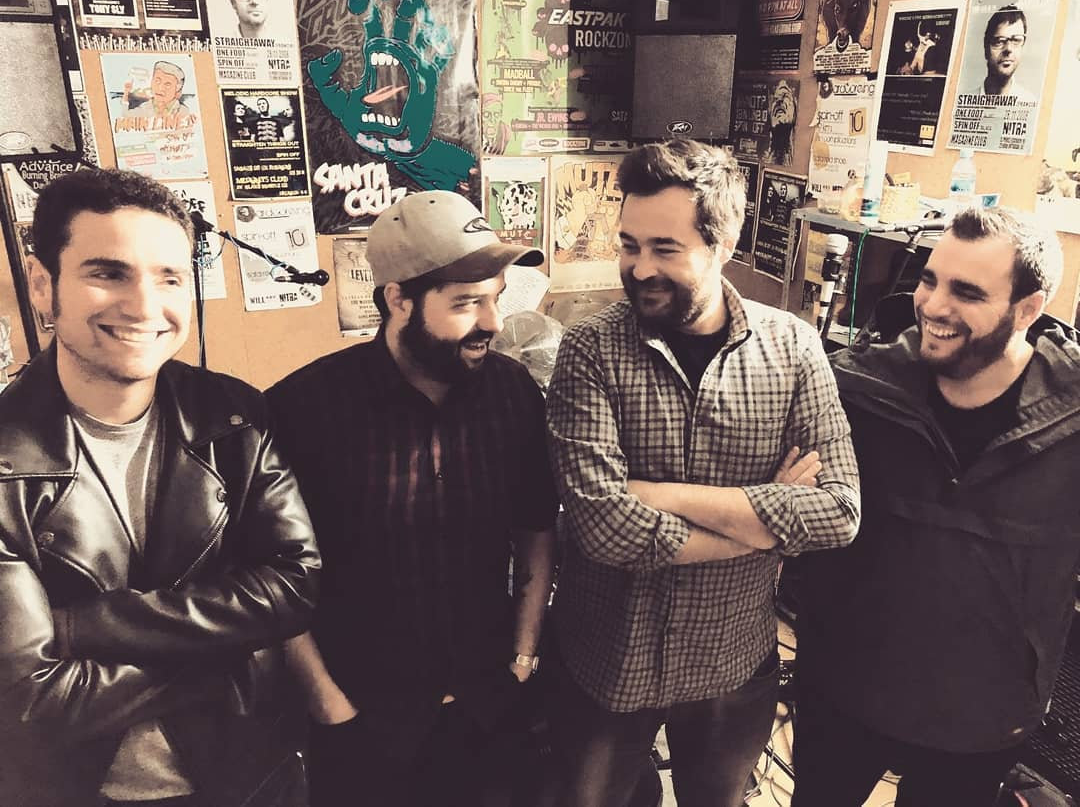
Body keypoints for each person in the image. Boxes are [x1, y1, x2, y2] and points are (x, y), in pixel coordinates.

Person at [544, 139, 861, 807]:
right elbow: (604, 529)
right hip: (609, 663)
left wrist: (658, 494)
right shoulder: (589, 348)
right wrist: (766, 528)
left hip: (731, 663)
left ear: (725, 244)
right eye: (630, 245)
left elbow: (839, 511)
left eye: (665, 248)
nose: (639, 268)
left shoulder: (793, 347)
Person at [0, 167, 321, 807]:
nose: (145, 306)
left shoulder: (233, 416)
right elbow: (30, 699)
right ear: (42, 284)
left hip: (251, 774)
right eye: (108, 273)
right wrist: (227, 652)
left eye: (169, 277)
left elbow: (294, 585)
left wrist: (83, 627)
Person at [267, 190, 559, 807]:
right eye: (466, 303)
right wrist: (328, 704)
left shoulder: (512, 393)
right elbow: (269, 574)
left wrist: (523, 655)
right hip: (361, 718)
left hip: (489, 704)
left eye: (496, 297)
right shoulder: (303, 409)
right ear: (398, 299)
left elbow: (536, 525)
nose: (493, 323)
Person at [793, 207, 1077, 807]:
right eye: (929, 279)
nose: (933, 306)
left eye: (966, 292)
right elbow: (794, 516)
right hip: (845, 694)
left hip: (983, 718)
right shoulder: (855, 389)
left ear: (1028, 309)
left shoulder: (1072, 420)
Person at [979, 4, 1034, 100]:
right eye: (999, 41)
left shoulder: (1029, 100)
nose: (1008, 49)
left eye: (1016, 40)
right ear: (986, 47)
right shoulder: (960, 99)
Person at [123, 61, 192, 120]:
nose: (160, 88)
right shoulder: (145, 108)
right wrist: (126, 93)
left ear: (177, 88)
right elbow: (125, 116)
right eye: (157, 81)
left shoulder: (184, 112)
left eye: (167, 84)